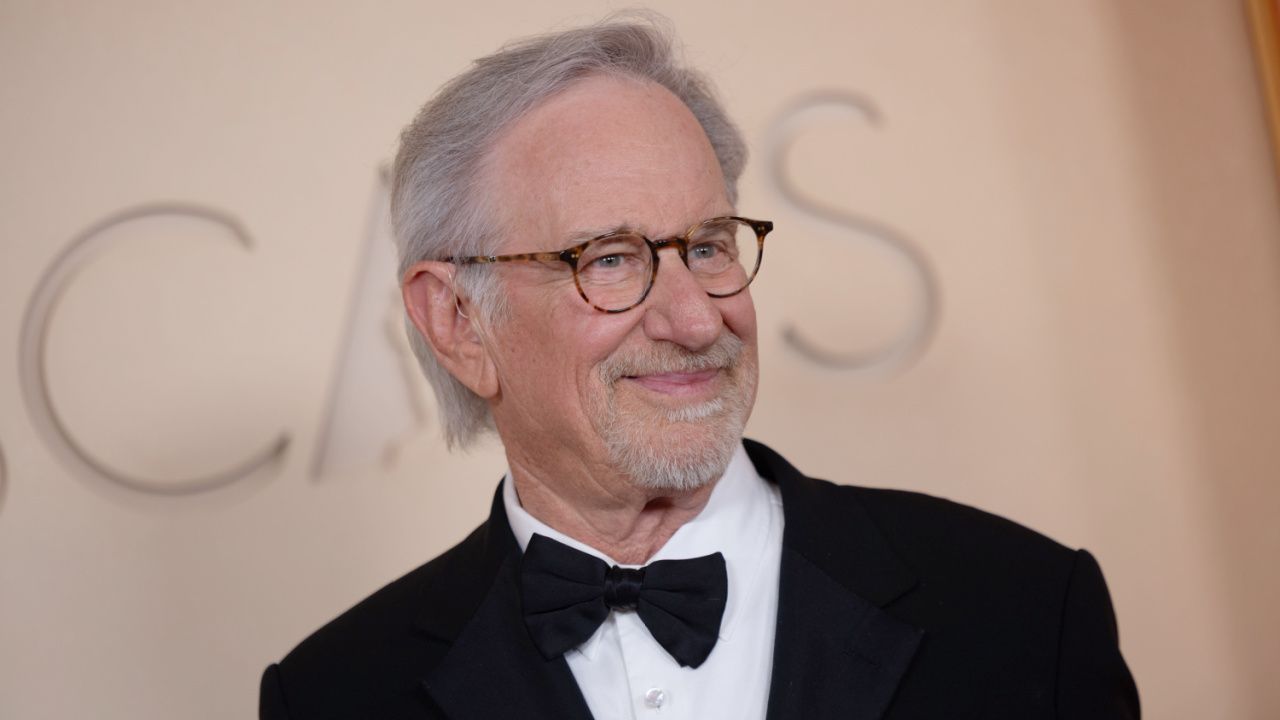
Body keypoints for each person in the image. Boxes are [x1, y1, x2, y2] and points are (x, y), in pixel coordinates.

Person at [260, 15, 1139, 720]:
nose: (694, 318)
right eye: (608, 259)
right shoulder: (335, 695)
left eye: (709, 246)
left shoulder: (1024, 609)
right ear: (458, 323)